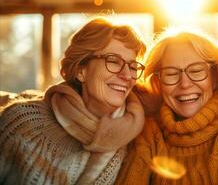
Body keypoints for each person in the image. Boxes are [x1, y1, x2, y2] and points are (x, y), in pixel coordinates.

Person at [0, 17, 146, 184]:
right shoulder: (23, 123)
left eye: (133, 66)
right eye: (113, 61)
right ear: (80, 70)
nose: (127, 75)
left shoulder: (140, 138)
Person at [115, 29, 218, 185]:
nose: (185, 84)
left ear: (214, 77)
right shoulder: (149, 133)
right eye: (171, 73)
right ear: (159, 82)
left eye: (196, 71)